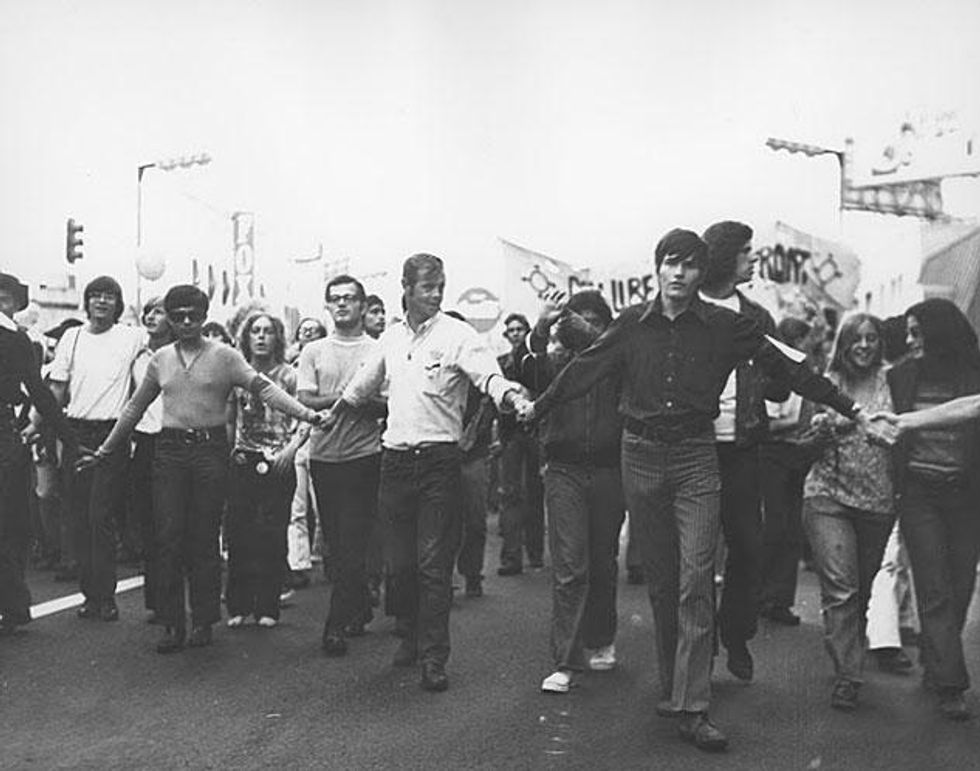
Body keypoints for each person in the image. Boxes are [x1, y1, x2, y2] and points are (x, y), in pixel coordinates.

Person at [521, 229, 887, 752]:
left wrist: (852, 410)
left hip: (696, 456)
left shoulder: (727, 326)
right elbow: (585, 369)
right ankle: (674, 684)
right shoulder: (630, 325)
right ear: (657, 270)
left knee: (696, 578)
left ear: (700, 273)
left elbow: (787, 368)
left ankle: (693, 706)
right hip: (640, 456)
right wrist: (539, 408)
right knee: (665, 583)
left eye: (688, 266)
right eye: (669, 264)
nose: (678, 274)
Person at [320, 253, 531, 692]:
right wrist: (327, 416)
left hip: (439, 462)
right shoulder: (391, 339)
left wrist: (511, 396)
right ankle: (411, 633)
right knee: (400, 565)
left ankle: (435, 657)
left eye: (440, 285)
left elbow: (488, 377)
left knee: (434, 565)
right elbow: (359, 389)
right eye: (427, 287)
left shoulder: (458, 336)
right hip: (394, 463)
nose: (436, 294)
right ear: (407, 288)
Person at [81, 285, 323, 654]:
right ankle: (172, 623)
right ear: (171, 319)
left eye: (194, 314)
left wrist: (307, 414)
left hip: (210, 452)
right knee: (167, 537)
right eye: (179, 316)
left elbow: (265, 389)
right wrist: (104, 450)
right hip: (170, 452)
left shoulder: (224, 356)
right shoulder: (160, 359)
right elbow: (133, 408)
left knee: (203, 537)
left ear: (204, 314)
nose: (187, 322)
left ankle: (204, 620)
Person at [520, 290, 625, 694]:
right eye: (578, 321)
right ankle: (565, 659)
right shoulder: (555, 365)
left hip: (608, 469)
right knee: (569, 566)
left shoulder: (618, 365)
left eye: (596, 321)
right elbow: (523, 368)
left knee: (602, 561)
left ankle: (600, 638)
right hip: (563, 470)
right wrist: (544, 322)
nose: (586, 329)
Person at [699, 220, 788, 680]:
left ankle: (735, 633)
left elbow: (778, 384)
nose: (754, 259)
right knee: (693, 553)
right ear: (724, 256)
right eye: (747, 251)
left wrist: (769, 377)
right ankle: (698, 643)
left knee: (749, 546)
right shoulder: (688, 308)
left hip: (744, 446)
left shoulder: (757, 316)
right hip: (693, 448)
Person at [883, 298, 980, 720]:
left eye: (917, 332)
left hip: (967, 493)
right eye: (907, 332)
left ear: (939, 333)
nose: (909, 340)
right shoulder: (900, 375)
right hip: (919, 492)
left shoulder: (974, 374)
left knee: (961, 585)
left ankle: (937, 659)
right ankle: (951, 685)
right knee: (935, 585)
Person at [800, 313, 896, 711]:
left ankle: (845, 646)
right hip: (827, 495)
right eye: (855, 339)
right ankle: (848, 676)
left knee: (861, 589)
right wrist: (821, 430)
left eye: (871, 338)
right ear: (842, 344)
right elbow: (802, 439)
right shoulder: (826, 383)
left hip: (878, 501)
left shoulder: (894, 382)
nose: (863, 345)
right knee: (841, 588)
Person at [48, 276, 145, 623]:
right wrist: (37, 422)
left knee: (100, 517)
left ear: (117, 304)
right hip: (75, 432)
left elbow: (158, 346)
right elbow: (57, 387)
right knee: (77, 517)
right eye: (95, 296)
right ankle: (90, 596)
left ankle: (106, 598)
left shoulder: (131, 336)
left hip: (111, 434)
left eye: (109, 296)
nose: (101, 302)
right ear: (86, 302)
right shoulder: (71, 338)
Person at [297, 275, 384, 656]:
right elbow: (304, 398)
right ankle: (360, 601)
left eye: (350, 299)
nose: (343, 305)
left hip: (365, 454)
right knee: (336, 540)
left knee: (354, 539)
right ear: (327, 306)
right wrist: (349, 397)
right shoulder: (314, 350)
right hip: (324, 455)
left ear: (363, 306)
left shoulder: (378, 349)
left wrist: (358, 402)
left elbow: (386, 402)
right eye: (335, 299)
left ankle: (335, 624)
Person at [0, 272, 75, 633]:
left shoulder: (18, 341)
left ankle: (13, 606)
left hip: (3, 437)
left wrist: (68, 436)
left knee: (8, 527)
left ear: (16, 303)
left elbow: (38, 391)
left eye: (5, 297)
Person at [225, 312, 304, 628]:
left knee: (271, 534)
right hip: (244, 459)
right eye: (255, 331)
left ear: (277, 337)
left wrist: (291, 450)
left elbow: (303, 420)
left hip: (278, 461)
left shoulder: (289, 375)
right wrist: (229, 451)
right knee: (239, 533)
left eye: (267, 331)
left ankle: (268, 606)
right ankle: (239, 605)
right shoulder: (237, 374)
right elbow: (230, 418)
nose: (261, 337)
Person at [759, 316, 816, 626]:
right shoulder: (776, 373)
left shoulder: (805, 372)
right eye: (805, 340)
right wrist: (799, 422)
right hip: (774, 455)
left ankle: (780, 599)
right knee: (775, 526)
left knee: (792, 529)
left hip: (797, 455)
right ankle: (761, 594)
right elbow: (767, 424)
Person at [444, 310, 496, 600]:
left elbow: (489, 403)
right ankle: (445, 578)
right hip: (442, 452)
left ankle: (472, 572)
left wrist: (472, 436)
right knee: (443, 520)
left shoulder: (480, 361)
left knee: (475, 518)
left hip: (474, 452)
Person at [129, 297, 175, 622]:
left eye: (158, 311)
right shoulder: (137, 356)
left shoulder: (182, 354)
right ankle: (158, 601)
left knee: (173, 526)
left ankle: (177, 599)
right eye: (147, 311)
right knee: (148, 524)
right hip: (145, 443)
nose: (150, 316)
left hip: (175, 441)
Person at [497, 312, 545, 575]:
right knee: (510, 494)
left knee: (535, 493)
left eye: (519, 329)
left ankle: (535, 552)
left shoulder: (536, 362)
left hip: (535, 431)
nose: (515, 334)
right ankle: (511, 556)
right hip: (511, 434)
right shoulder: (501, 363)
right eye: (511, 330)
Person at [285, 315, 328, 592]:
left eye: (314, 331)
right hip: (294, 441)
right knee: (295, 507)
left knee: (324, 506)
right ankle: (298, 563)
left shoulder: (326, 361)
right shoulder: (290, 369)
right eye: (304, 331)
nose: (308, 335)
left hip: (323, 438)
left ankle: (325, 553)